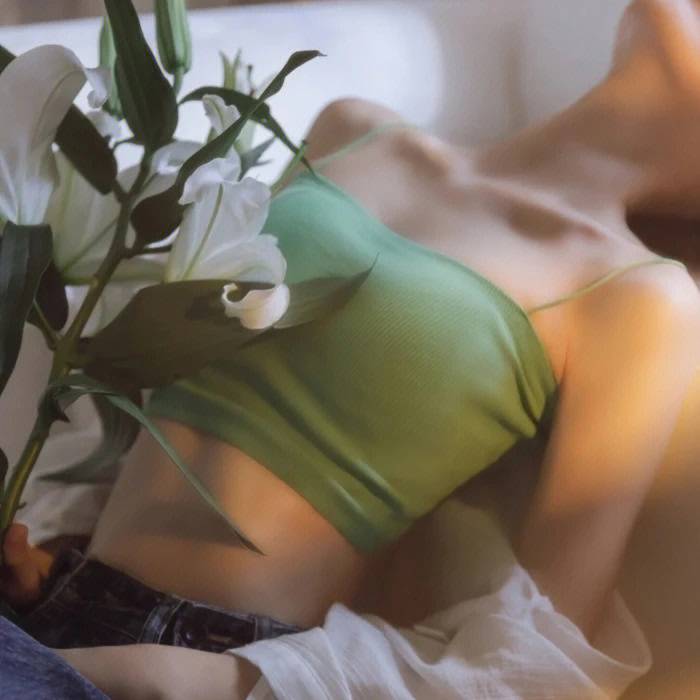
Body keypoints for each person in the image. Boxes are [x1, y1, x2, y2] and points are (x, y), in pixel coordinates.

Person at [2, 0, 700, 697]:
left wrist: (213, 678)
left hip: (208, 667)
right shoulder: (355, 129)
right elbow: (152, 379)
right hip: (50, 609)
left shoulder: (638, 297)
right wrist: (47, 559)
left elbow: (543, 651)